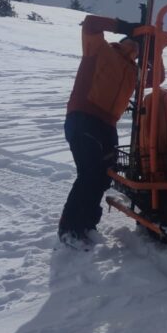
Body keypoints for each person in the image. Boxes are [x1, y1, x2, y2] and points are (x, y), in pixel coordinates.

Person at [58, 14, 139, 245]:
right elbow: (91, 23)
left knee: (104, 177)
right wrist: (126, 25)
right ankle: (69, 228)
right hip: (84, 117)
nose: (135, 47)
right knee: (90, 172)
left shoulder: (134, 72)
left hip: (108, 125)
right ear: (123, 40)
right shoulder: (100, 49)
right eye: (132, 41)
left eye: (140, 46)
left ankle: (87, 225)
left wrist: (157, 47)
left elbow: (158, 78)